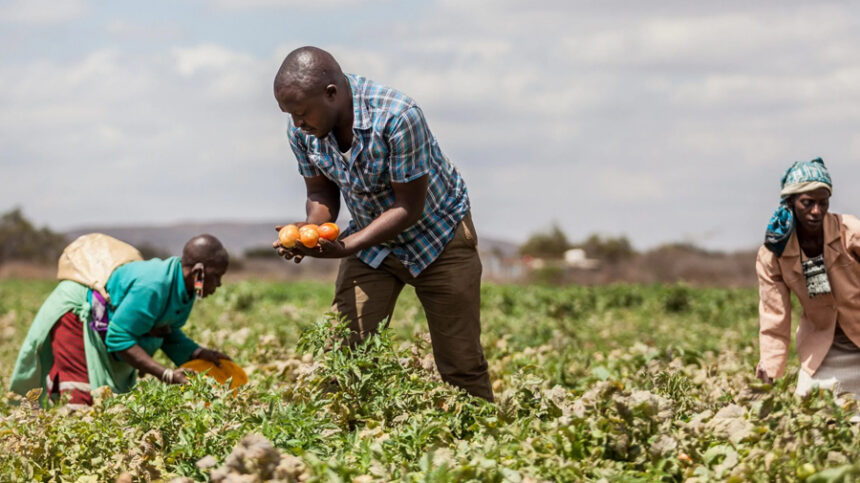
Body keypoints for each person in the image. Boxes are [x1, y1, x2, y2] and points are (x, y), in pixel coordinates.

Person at [272, 46, 493, 401]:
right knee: (344, 356)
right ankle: (343, 444)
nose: (297, 123)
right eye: (290, 114)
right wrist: (309, 233)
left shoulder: (398, 116)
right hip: (371, 243)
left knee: (461, 365)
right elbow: (320, 192)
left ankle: (482, 444)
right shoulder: (302, 129)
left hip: (438, 237)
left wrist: (347, 246)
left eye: (301, 113)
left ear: (332, 94)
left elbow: (408, 208)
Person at [10, 234, 231, 407]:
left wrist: (199, 354)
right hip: (76, 317)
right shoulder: (153, 286)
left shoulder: (184, 290)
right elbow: (118, 337)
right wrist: (165, 374)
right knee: (81, 398)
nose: (219, 284)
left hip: (105, 323)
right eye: (216, 276)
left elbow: (166, 333)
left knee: (105, 407)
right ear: (198, 272)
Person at [756, 158, 860, 398]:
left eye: (823, 203)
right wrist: (770, 368)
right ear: (791, 202)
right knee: (811, 409)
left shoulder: (850, 232)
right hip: (823, 345)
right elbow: (774, 315)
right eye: (808, 203)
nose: (817, 211)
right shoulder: (773, 255)